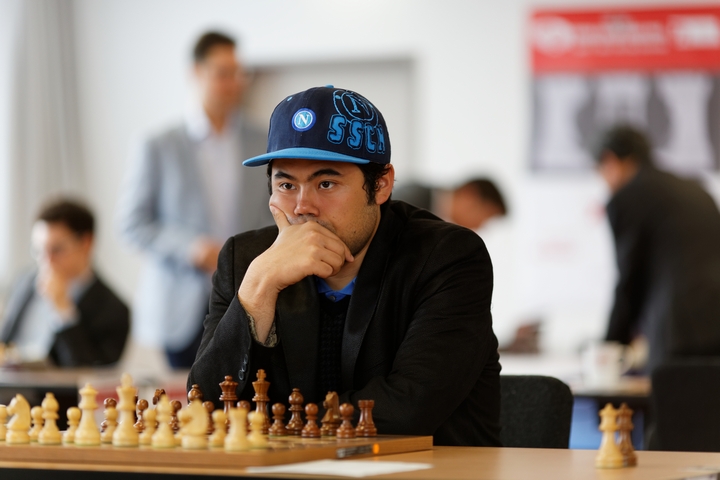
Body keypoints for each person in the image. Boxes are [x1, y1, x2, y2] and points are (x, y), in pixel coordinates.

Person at [188, 86, 501, 446]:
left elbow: (408, 409)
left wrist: (281, 421)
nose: (302, 207)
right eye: (286, 184)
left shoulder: (448, 258)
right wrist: (259, 284)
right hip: (289, 470)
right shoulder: (246, 260)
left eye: (326, 183)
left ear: (381, 185)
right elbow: (206, 405)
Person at [117, 31, 272, 368]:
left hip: (249, 296)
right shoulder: (157, 145)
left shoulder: (263, 141)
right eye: (223, 73)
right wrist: (192, 248)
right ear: (196, 73)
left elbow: (273, 214)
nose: (234, 83)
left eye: (238, 73)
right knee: (187, 399)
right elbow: (133, 224)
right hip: (181, 307)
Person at [595, 125, 720, 372]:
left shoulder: (628, 197)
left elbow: (629, 280)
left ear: (610, 160)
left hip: (678, 333)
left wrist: (610, 347)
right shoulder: (696, 188)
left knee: (669, 397)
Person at [0, 199, 129, 366]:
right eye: (39, 250)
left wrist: (63, 310)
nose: (46, 261)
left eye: (57, 250)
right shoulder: (24, 281)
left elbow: (88, 371)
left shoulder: (114, 310)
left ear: (86, 243)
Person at [393, 178, 507, 231]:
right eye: (484, 217)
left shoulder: (440, 224)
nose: (479, 226)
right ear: (470, 196)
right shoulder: (412, 198)